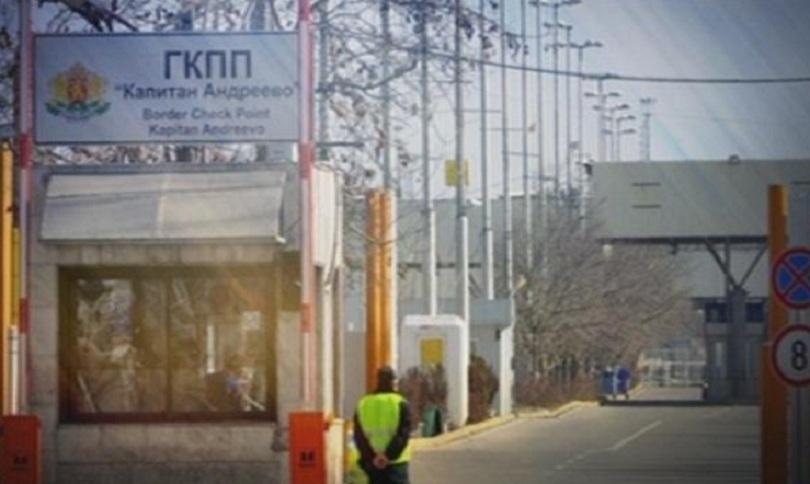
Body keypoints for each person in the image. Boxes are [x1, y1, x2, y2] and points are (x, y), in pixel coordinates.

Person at [353, 366, 412, 484]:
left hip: (372, 464)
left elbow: (359, 436)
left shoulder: (363, 404)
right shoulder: (400, 402)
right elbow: (403, 434)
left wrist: (372, 457)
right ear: (393, 382)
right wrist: (387, 456)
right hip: (396, 464)